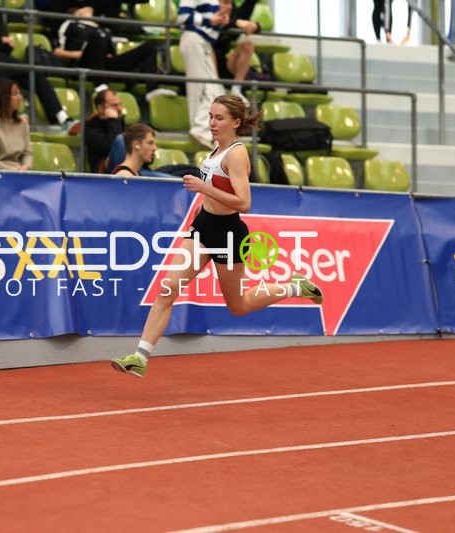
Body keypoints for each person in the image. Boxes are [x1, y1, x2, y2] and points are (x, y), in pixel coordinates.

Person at [110, 95, 324, 378]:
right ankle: (140, 357)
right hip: (204, 226)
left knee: (238, 305)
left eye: (219, 118)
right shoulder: (215, 149)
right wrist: (204, 204)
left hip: (228, 234)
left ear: (236, 122)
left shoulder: (236, 154)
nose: (212, 123)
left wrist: (203, 189)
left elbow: (244, 203)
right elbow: (215, 188)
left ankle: (295, 287)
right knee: (167, 287)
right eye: (210, 116)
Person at [0, 0, 78, 131]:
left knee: (35, 73)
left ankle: (62, 118)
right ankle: (9, 116)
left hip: (1, 56)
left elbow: (6, 45)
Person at [52, 5, 176, 101]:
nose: (89, 8)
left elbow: (110, 53)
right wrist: (81, 54)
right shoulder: (69, 24)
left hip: (103, 64)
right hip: (81, 63)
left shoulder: (102, 29)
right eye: (84, 8)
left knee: (149, 47)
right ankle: (100, 85)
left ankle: (151, 90)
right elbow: (57, 52)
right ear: (76, 12)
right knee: (96, 36)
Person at [177, 0, 229, 150]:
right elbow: (182, 16)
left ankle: (200, 129)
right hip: (193, 38)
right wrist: (210, 20)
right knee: (196, 88)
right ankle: (198, 130)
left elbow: (208, 21)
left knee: (216, 91)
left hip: (205, 42)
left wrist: (219, 20)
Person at [216, 0, 261, 101]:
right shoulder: (208, 12)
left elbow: (242, 18)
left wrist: (255, 25)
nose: (230, 6)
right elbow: (219, 22)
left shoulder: (231, 11)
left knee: (248, 45)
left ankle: (236, 89)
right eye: (226, 3)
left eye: (231, 3)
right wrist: (237, 22)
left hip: (223, 63)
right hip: (206, 62)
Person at [84, 88, 125, 172]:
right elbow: (112, 147)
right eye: (114, 105)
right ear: (100, 108)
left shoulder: (120, 122)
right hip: (105, 171)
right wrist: (113, 121)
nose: (119, 108)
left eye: (119, 104)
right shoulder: (91, 128)